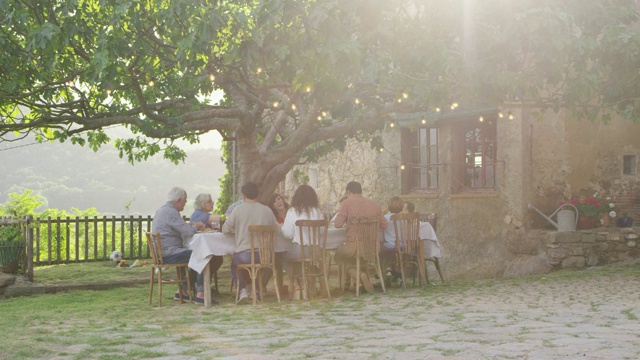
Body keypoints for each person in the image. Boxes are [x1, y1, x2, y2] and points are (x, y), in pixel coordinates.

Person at [151, 187, 217, 305]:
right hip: (170, 252)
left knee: (195, 254)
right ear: (178, 200)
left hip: (163, 252)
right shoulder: (170, 212)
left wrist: (191, 224)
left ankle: (182, 290)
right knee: (203, 254)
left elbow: (179, 226)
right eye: (185, 200)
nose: (185, 203)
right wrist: (195, 226)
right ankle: (201, 294)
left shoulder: (163, 210)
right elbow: (186, 231)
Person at [222, 181, 282, 303]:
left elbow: (225, 229)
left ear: (243, 195)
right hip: (265, 255)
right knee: (268, 263)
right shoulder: (267, 211)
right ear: (257, 195)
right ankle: (257, 291)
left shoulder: (238, 211)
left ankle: (242, 290)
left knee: (235, 263)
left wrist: (238, 228)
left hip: (245, 255)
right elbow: (278, 230)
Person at [333, 181, 387, 293]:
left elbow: (337, 224)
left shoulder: (347, 203)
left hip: (354, 247)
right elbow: (384, 224)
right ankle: (359, 281)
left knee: (338, 254)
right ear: (361, 191)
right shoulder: (375, 205)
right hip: (372, 247)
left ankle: (357, 275)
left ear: (348, 192)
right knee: (355, 258)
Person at [282, 185, 325, 264]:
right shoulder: (317, 211)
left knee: (282, 258)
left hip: (299, 250)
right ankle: (305, 273)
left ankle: (299, 274)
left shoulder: (292, 211)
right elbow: (322, 231)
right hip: (316, 250)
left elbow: (288, 234)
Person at [189, 193, 224, 281]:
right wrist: (230, 217)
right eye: (209, 202)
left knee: (218, 258)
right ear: (202, 203)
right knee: (216, 259)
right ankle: (200, 282)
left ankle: (204, 282)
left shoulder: (203, 214)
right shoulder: (198, 214)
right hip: (197, 248)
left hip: (204, 246)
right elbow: (215, 218)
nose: (212, 203)